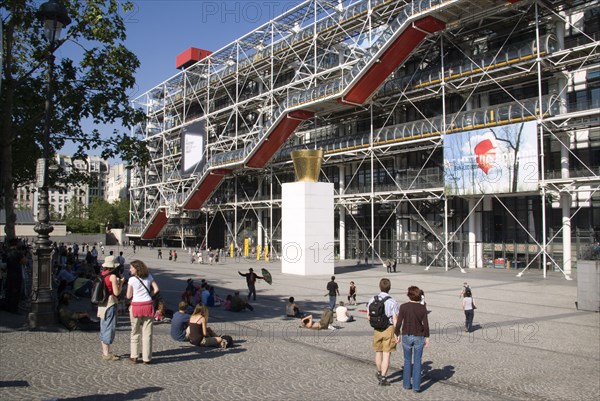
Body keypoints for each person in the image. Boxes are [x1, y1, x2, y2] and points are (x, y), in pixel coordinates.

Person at [395, 286, 430, 393]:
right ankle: (416, 386)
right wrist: (427, 337)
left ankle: (406, 384)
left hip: (406, 335)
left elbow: (399, 322)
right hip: (419, 336)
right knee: (418, 361)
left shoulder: (403, 307)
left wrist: (396, 333)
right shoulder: (422, 308)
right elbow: (426, 324)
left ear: (408, 295)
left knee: (407, 360)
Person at [367, 278, 399, 386]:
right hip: (388, 329)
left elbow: (368, 316)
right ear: (389, 287)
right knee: (386, 354)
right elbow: (395, 319)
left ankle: (379, 371)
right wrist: (397, 333)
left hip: (377, 329)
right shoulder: (392, 301)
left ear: (379, 286)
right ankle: (384, 378)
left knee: (378, 352)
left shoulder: (372, 299)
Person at [127, 259, 159, 365]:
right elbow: (156, 289)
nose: (129, 269)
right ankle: (147, 358)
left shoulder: (131, 280)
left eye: (131, 267)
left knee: (135, 331)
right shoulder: (149, 277)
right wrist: (150, 296)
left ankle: (134, 356)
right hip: (148, 305)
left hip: (136, 306)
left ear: (136, 268)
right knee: (147, 333)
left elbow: (128, 296)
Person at [97, 255, 125, 361]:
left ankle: (105, 351)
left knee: (103, 327)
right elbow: (116, 292)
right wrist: (121, 282)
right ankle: (106, 354)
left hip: (101, 304)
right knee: (109, 327)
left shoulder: (102, 274)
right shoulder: (112, 277)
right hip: (110, 303)